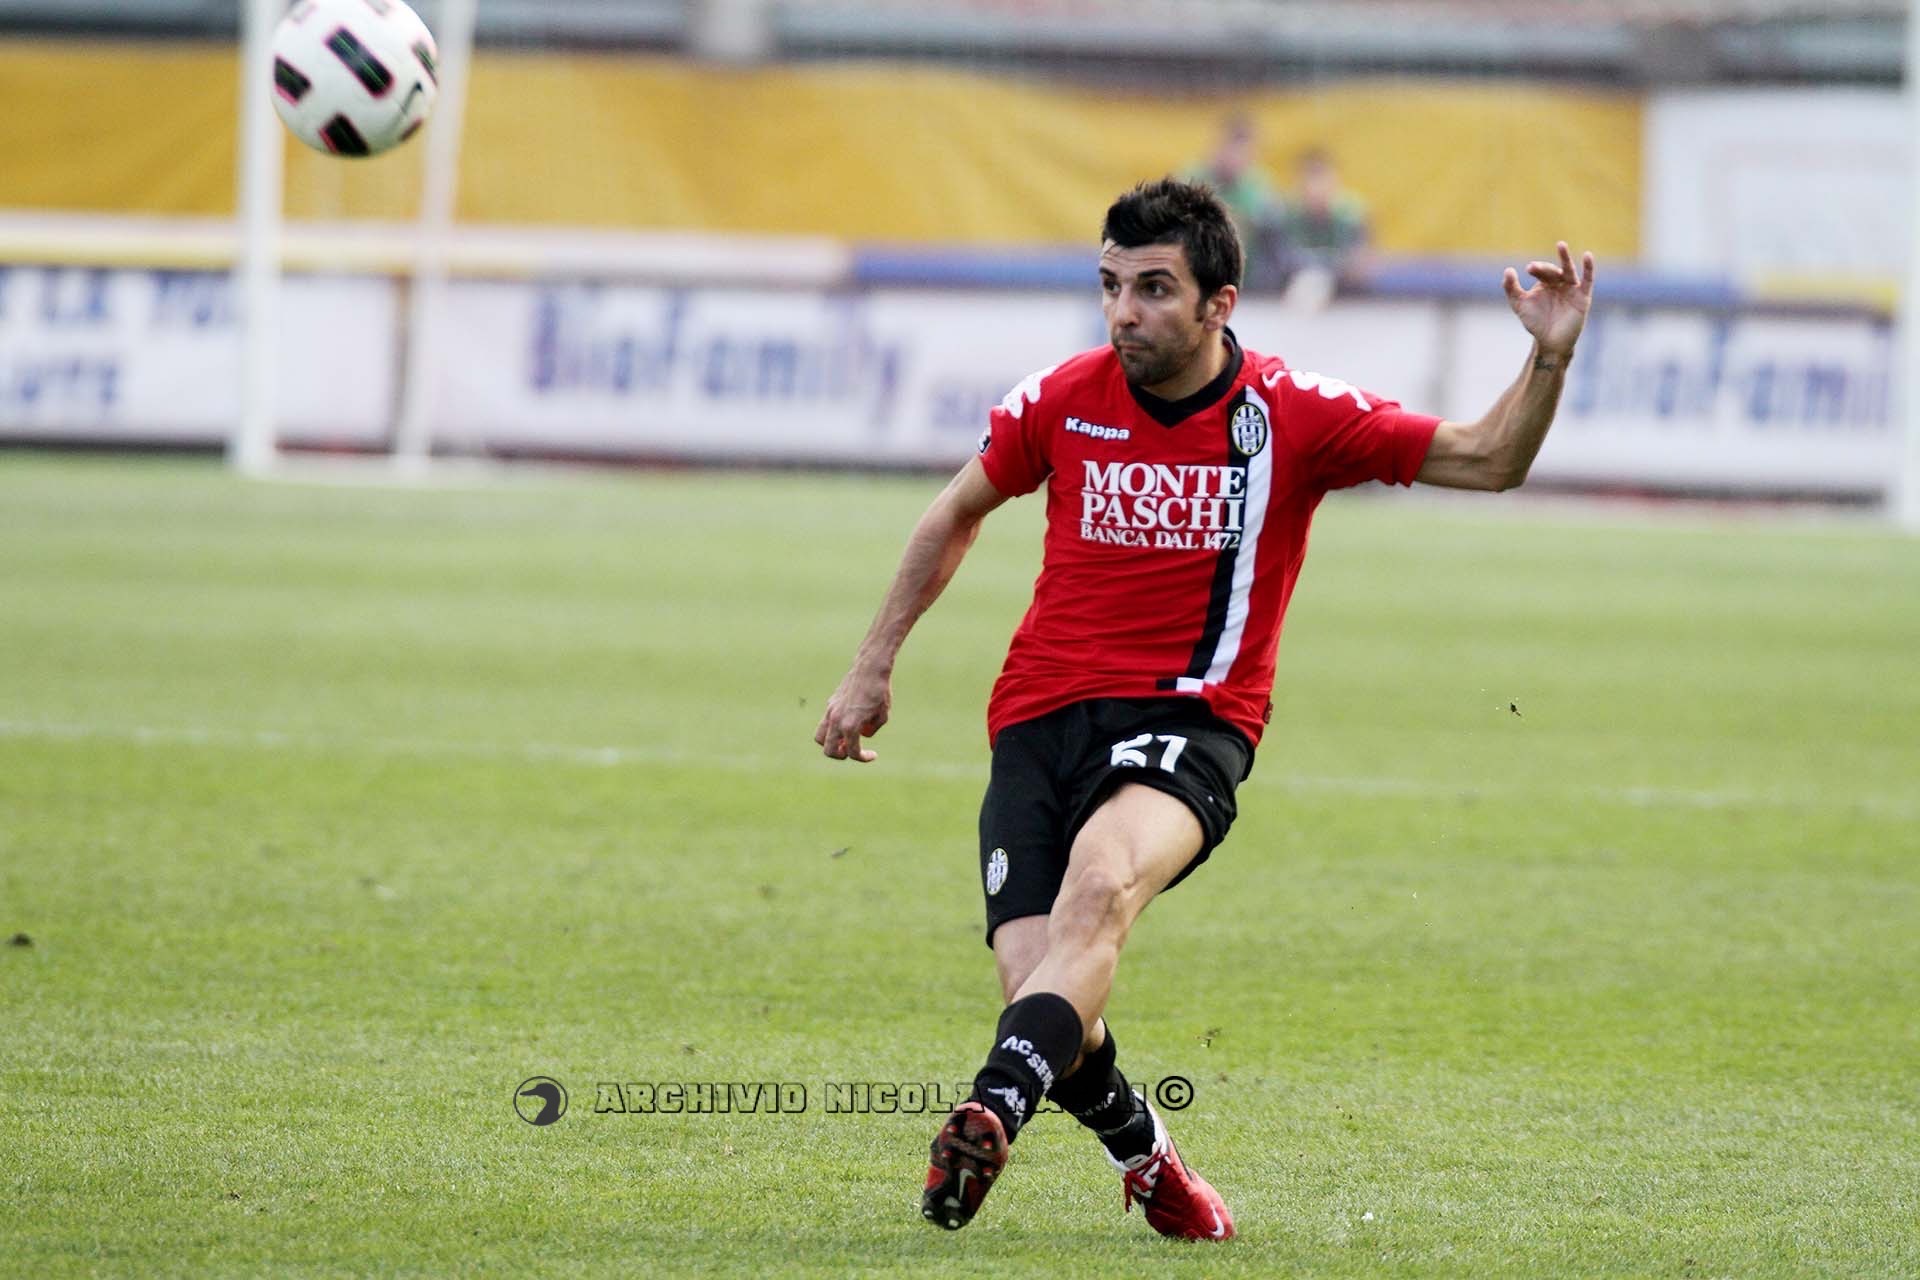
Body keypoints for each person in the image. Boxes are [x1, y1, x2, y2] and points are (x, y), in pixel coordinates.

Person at [813, 177, 1594, 1241]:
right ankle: (1149, 1158)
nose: (1123, 311)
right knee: (1040, 987)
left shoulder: (1294, 413)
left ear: (1220, 303)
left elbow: (1491, 457)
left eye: (1152, 288)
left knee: (1100, 889)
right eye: (1110, 285)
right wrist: (872, 664)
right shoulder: (1063, 398)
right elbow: (956, 511)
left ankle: (988, 1111)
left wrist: (1548, 357)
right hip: (1037, 718)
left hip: (1191, 721)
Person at [1184, 114, 1286, 290]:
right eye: (1234, 151)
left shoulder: (1259, 186)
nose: (1238, 160)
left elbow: (1275, 234)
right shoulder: (1193, 181)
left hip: (1249, 279)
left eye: (1247, 153)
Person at [1270, 147, 1374, 300]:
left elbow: (1359, 265)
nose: (1316, 188)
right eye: (1310, 178)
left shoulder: (1351, 217)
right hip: (1295, 285)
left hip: (1345, 293)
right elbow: (1281, 260)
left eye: (1321, 178)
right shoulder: (1285, 216)